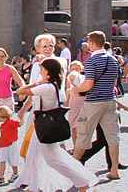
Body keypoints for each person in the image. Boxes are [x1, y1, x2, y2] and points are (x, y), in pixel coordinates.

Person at [12, 58, 93, 192]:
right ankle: (34, 185)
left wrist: (38, 82)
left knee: (52, 160)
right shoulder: (55, 85)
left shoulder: (46, 87)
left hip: (45, 125)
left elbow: (20, 91)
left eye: (42, 70)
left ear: (48, 72)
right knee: (33, 155)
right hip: (44, 124)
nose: (40, 71)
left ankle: (81, 181)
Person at [70, 31, 120, 180]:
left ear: (91, 43)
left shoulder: (92, 61)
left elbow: (89, 83)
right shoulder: (113, 59)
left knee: (83, 135)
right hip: (110, 99)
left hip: (93, 102)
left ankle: (73, 170)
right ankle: (114, 170)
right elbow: (115, 81)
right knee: (112, 136)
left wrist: (76, 89)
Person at [0, 47, 25, 157]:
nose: (0, 58)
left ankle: (9, 148)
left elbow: (20, 80)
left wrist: (23, 90)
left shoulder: (10, 69)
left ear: (6, 57)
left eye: (2, 56)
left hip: (6, 99)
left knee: (8, 126)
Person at [0, 105, 21, 185]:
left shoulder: (11, 122)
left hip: (11, 144)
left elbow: (19, 124)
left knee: (13, 160)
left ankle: (15, 174)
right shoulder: (4, 124)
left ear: (1, 117)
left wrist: (22, 116)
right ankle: (1, 176)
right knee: (2, 161)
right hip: (3, 145)